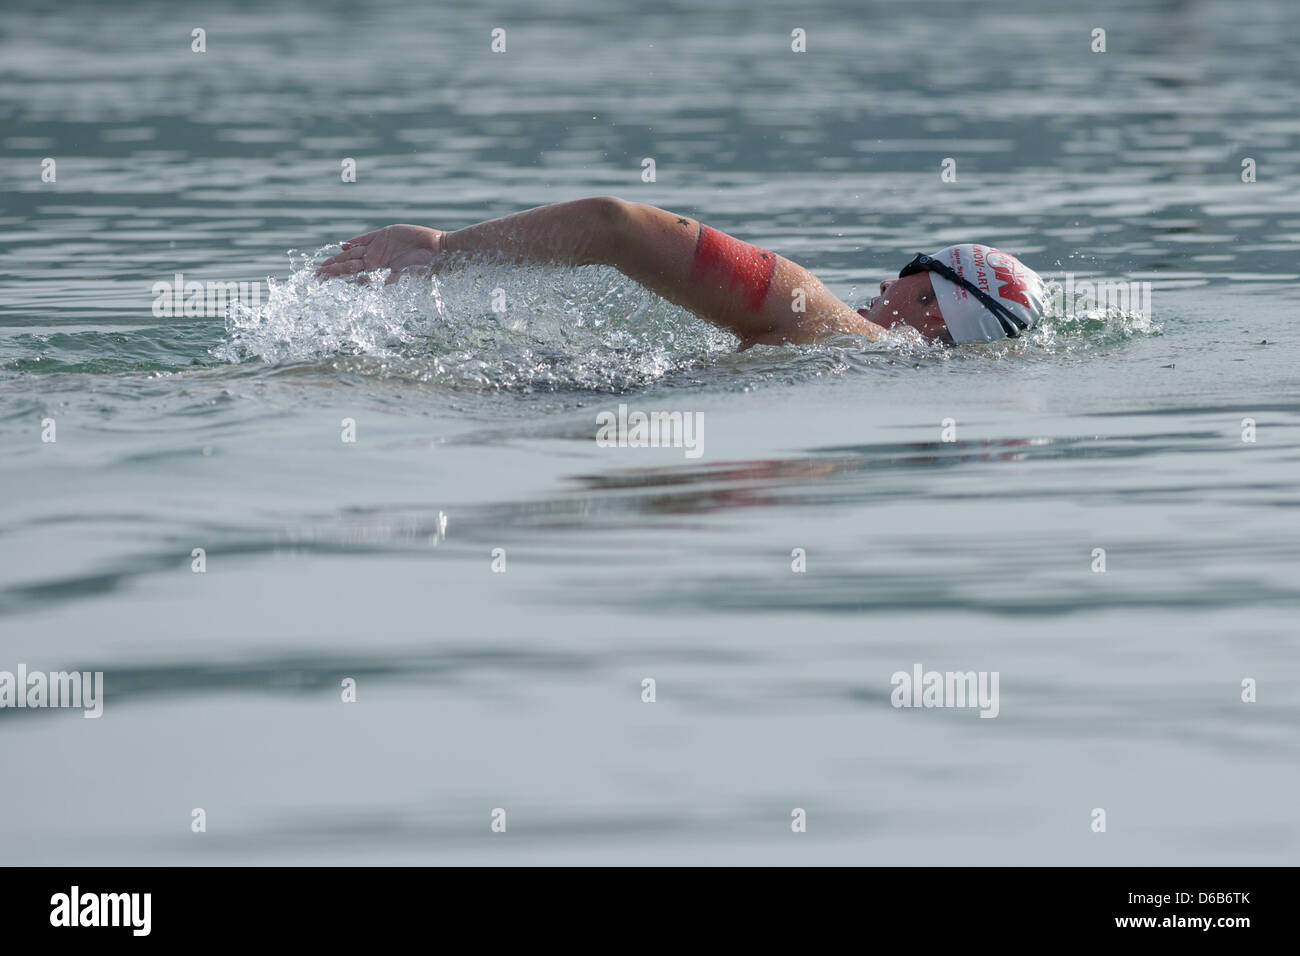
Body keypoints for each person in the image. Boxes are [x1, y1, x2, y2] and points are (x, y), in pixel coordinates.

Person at [315, 196, 1047, 350]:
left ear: (931, 302)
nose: (886, 284)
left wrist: (443, 252)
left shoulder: (816, 315)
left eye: (909, 273)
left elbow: (613, 225)